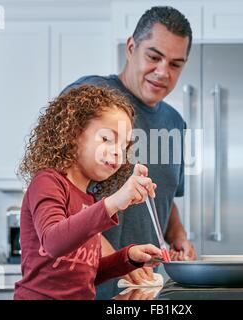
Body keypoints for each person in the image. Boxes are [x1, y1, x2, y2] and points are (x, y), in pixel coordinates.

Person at [62, 6, 196, 299]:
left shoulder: (175, 123)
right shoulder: (90, 95)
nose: (163, 72)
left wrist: (178, 235)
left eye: (175, 64)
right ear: (131, 47)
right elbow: (53, 186)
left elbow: (164, 195)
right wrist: (116, 258)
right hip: (84, 288)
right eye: (154, 57)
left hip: (142, 291)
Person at [14, 85, 162, 300]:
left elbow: (84, 273)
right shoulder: (47, 182)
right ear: (73, 134)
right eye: (107, 139)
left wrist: (127, 258)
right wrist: (114, 201)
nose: (117, 152)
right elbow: (53, 242)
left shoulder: (88, 198)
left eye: (123, 146)